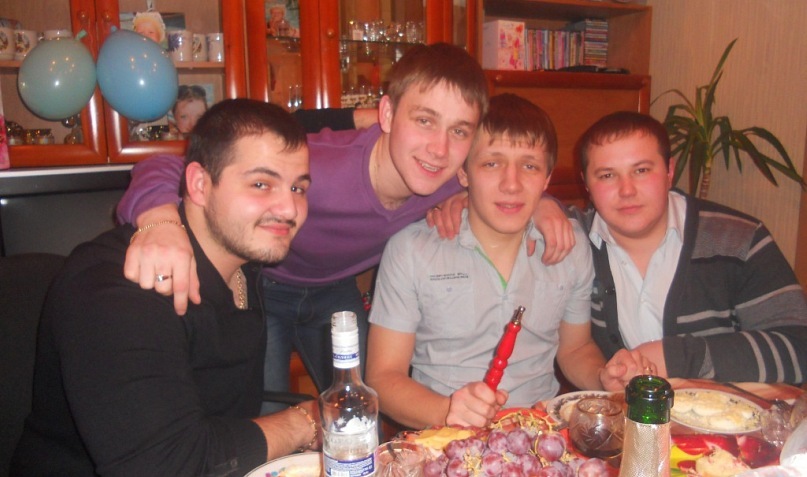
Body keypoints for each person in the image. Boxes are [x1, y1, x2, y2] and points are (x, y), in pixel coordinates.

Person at [115, 43, 573, 404]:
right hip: (264, 285)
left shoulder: (450, 178)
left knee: (361, 407)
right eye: (424, 121)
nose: (439, 148)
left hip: (334, 292)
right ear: (387, 115)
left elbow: (510, 181)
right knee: (264, 409)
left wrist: (546, 205)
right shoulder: (320, 162)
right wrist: (159, 221)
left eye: (459, 131)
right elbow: (166, 164)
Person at [11, 99, 320, 475]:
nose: (289, 209)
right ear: (200, 185)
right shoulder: (120, 290)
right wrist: (305, 420)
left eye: (298, 188)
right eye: (261, 184)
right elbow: (164, 466)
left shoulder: (245, 266)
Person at [365, 95, 651, 429]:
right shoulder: (411, 251)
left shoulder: (570, 246)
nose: (511, 184)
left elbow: (575, 349)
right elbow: (383, 378)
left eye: (529, 166)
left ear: (547, 179)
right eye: (492, 164)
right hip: (441, 438)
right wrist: (447, 411)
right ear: (464, 172)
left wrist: (603, 378)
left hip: (542, 435)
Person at [574, 111, 807, 383]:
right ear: (586, 184)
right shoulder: (573, 241)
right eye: (607, 175)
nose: (627, 190)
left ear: (669, 171)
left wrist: (676, 358)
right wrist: (545, 208)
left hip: (726, 409)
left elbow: (799, 349)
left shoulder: (739, 239)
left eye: (641, 170)